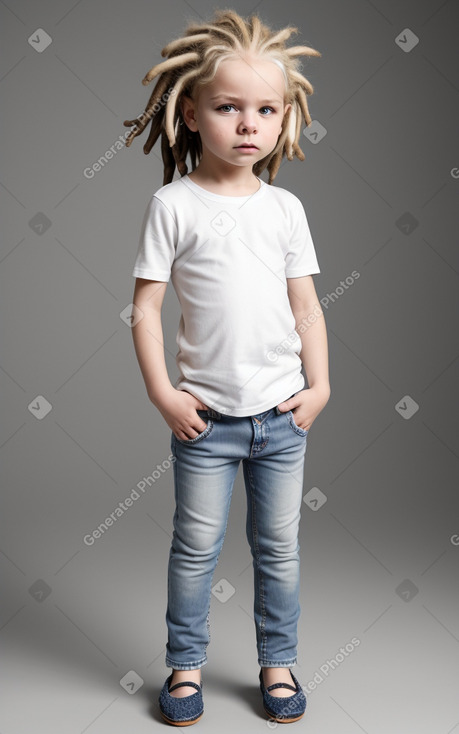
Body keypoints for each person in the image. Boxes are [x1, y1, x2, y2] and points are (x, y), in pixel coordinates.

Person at [124, 9, 330, 726]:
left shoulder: (284, 209)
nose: (248, 124)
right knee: (195, 550)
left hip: (281, 415)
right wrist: (162, 395)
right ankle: (185, 670)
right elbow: (145, 310)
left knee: (278, 549)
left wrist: (319, 385)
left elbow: (306, 305)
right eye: (227, 107)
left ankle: (277, 664)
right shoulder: (171, 204)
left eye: (264, 109)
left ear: (284, 119)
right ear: (189, 113)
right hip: (204, 421)